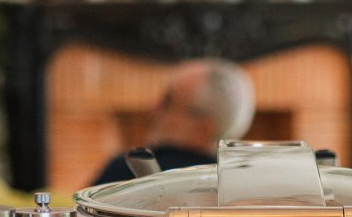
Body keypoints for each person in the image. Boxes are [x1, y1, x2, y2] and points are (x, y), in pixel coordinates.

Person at [89, 59, 256, 185]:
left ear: (203, 129)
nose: (153, 108)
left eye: (168, 102)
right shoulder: (241, 185)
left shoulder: (126, 171)